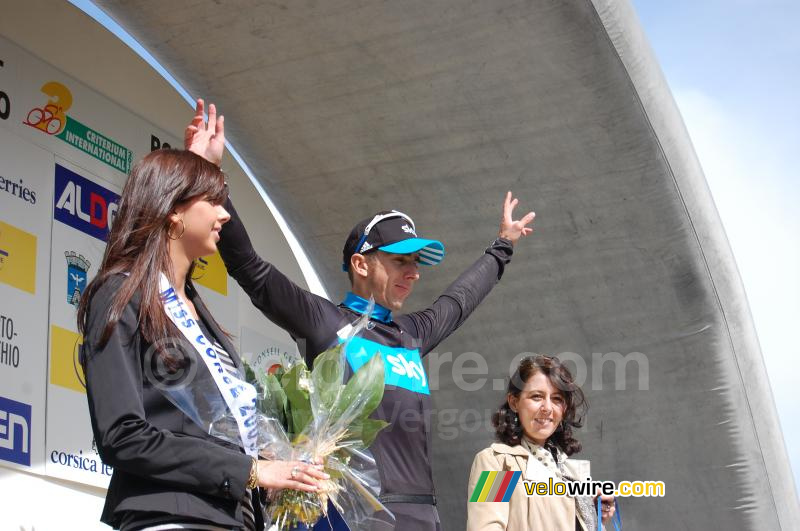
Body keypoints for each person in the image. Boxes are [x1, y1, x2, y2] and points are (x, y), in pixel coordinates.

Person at [185, 100, 536, 531]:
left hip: (421, 515)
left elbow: (459, 300)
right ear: (362, 264)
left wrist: (502, 246)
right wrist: (211, 177)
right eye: (400, 261)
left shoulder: (411, 333)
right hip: (349, 515)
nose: (413, 273)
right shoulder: (324, 322)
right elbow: (250, 269)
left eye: (416, 264)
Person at [78, 149, 327, 531]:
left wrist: (286, 470)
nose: (224, 214)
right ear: (173, 209)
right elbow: (122, 435)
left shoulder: (199, 311)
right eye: (212, 201)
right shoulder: (120, 294)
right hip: (171, 513)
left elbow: (219, 435)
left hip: (233, 517)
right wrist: (251, 470)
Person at [467, 355, 616, 530]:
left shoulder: (568, 471)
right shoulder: (500, 464)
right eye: (537, 396)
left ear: (564, 408)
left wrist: (593, 515)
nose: (547, 408)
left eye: (557, 399)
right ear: (514, 402)